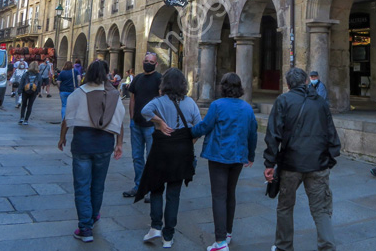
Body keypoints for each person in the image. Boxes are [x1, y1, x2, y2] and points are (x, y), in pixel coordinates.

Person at [264, 67, 341, 251]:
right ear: (306, 81)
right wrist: (329, 159)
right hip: (318, 163)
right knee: (321, 210)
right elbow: (331, 134)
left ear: (288, 84)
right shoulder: (320, 103)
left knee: (285, 206)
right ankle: (327, 247)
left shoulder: (283, 100)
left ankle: (283, 245)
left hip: (291, 164)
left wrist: (269, 163)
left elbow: (273, 134)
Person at [58, 60, 125, 243]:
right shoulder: (114, 94)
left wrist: (62, 137)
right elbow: (120, 121)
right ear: (105, 74)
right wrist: (119, 143)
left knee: (81, 186)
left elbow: (67, 118)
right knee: (98, 184)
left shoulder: (79, 93)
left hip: (83, 143)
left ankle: (85, 228)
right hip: (104, 143)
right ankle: (94, 215)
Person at [191, 72, 257, 251]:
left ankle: (220, 242)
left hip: (219, 155)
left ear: (223, 87)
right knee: (231, 193)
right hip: (238, 156)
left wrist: (189, 133)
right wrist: (250, 155)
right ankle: (227, 232)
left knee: (219, 196)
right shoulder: (247, 108)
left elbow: (205, 126)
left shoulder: (217, 105)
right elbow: (253, 133)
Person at [136, 68, 201, 249]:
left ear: (164, 84)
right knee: (174, 193)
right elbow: (199, 126)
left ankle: (155, 226)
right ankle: (168, 235)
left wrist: (159, 122)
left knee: (156, 188)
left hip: (161, 149)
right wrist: (190, 142)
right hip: (182, 151)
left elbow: (144, 111)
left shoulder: (159, 101)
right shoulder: (190, 103)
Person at [123, 52, 162, 200]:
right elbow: (132, 98)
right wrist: (132, 117)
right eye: (146, 61)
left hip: (151, 126)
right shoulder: (138, 78)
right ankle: (139, 185)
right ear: (142, 61)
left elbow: (161, 99)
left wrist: (158, 121)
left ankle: (151, 188)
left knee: (151, 157)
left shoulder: (159, 79)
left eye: (151, 62)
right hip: (137, 124)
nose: (148, 63)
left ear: (156, 64)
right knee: (137, 157)